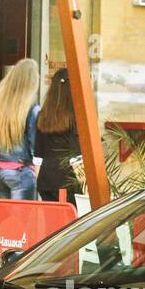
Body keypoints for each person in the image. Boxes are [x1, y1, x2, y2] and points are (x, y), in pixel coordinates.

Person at [0, 59, 41, 200]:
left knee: (5, 217)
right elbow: (35, 148)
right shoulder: (32, 109)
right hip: (21, 170)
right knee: (22, 221)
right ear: (32, 81)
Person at [35, 68, 81, 202]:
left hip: (45, 178)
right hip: (68, 179)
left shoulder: (42, 115)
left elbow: (38, 154)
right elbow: (76, 155)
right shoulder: (75, 117)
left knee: (52, 220)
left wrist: (38, 178)